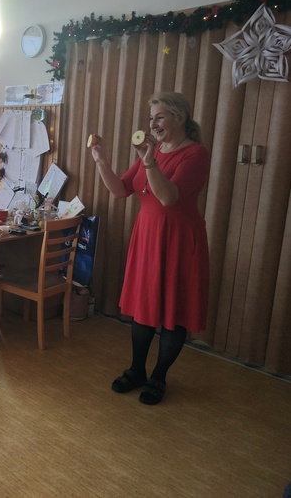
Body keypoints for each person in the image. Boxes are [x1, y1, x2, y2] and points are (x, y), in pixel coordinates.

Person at [88, 92, 209, 405]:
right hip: (148, 237)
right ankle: (137, 370)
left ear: (180, 118)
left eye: (159, 117)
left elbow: (168, 197)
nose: (153, 124)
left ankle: (159, 376)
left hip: (180, 240)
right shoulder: (150, 154)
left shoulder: (194, 153)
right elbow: (119, 190)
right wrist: (101, 160)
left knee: (173, 311)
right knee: (144, 306)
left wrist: (149, 159)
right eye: (151, 118)